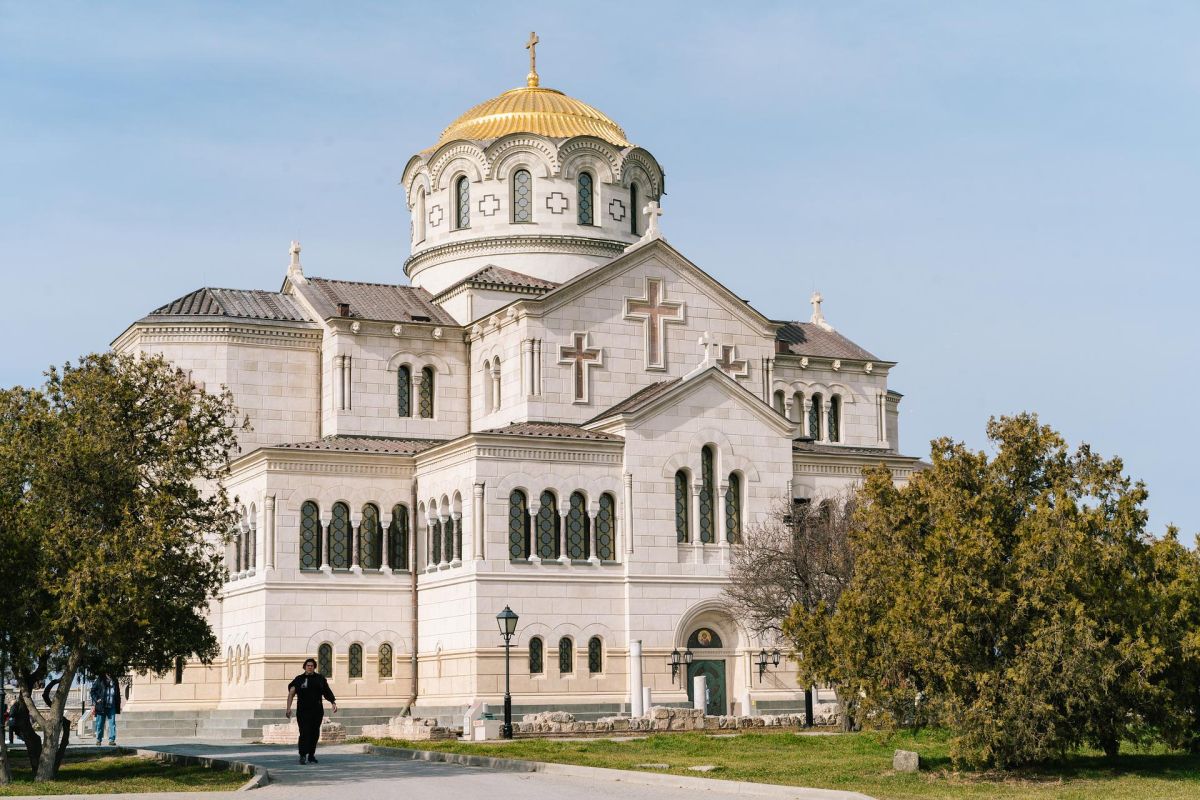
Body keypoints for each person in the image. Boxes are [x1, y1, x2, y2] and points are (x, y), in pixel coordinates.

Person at [285, 658, 336, 765]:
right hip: (303, 711)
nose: (310, 667)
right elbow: (291, 693)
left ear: (314, 667)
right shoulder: (299, 679)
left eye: (312, 665)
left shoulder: (320, 679)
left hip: (316, 710)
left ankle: (311, 755)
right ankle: (303, 755)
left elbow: (327, 691)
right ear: (304, 667)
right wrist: (288, 708)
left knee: (314, 733)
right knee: (304, 732)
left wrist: (333, 702)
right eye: (308, 665)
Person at [90, 672, 121, 745]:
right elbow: (92, 691)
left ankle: (111, 740)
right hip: (101, 705)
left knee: (112, 723)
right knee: (100, 723)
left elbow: (117, 693)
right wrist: (96, 700)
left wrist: (118, 703)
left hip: (112, 705)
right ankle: (98, 740)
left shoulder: (115, 680)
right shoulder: (100, 679)